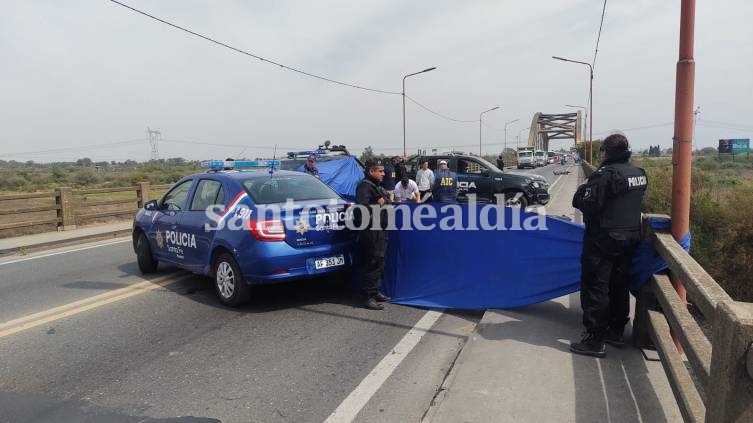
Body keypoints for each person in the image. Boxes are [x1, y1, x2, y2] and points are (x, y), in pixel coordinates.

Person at [570, 133, 648, 358]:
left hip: (603, 240)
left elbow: (588, 205)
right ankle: (616, 331)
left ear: (606, 152)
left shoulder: (604, 176)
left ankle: (595, 340)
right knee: (619, 285)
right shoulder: (639, 174)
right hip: (631, 238)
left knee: (597, 286)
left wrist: (580, 191)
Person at [354, 159, 392, 310]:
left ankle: (375, 291)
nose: (383, 173)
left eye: (383, 171)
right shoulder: (365, 186)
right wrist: (378, 204)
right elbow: (361, 209)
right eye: (380, 171)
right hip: (371, 230)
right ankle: (368, 296)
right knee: (373, 262)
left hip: (380, 229)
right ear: (371, 172)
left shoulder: (376, 186)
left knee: (380, 262)